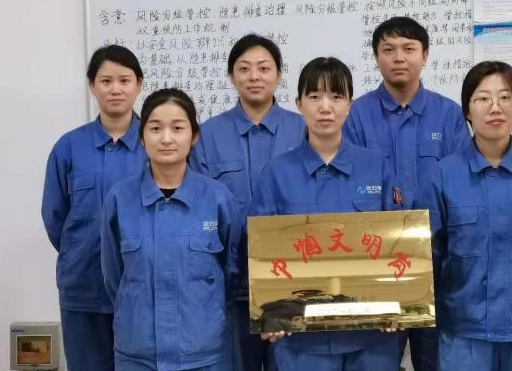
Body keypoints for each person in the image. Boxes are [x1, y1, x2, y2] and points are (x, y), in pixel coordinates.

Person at [250, 57, 402, 371]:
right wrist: (269, 313)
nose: (325, 107)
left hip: (371, 336)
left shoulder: (376, 167)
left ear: (349, 105)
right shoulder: (276, 173)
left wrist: (398, 302)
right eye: (314, 96)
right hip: (301, 341)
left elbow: (399, 244)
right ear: (299, 104)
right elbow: (259, 252)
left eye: (336, 96)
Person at [344, 16, 469, 370]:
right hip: (376, 270)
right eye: (389, 49)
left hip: (439, 267)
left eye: (409, 49)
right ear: (376, 57)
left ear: (425, 55)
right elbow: (346, 186)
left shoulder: (449, 115)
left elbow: (462, 187)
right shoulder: (356, 116)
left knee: (437, 362)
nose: (399, 57)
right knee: (377, 362)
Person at [415, 61, 512, 371]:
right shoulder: (443, 175)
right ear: (467, 110)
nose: (495, 107)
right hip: (465, 330)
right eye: (483, 98)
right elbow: (429, 258)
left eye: (505, 97)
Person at [101, 88, 240, 370]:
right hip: (137, 354)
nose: (166, 138)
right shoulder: (120, 199)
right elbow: (113, 276)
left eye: (177, 128)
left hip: (203, 354)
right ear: (142, 137)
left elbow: (232, 271)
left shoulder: (218, 198)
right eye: (155, 128)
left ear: (194, 136)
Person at [191, 34, 304, 371]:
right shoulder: (207, 136)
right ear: (231, 76)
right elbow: (200, 209)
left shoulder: (304, 130)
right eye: (244, 69)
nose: (254, 76)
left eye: (264, 68)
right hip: (232, 287)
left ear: (279, 74)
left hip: (295, 285)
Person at [41, 44, 144, 371]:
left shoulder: (156, 143)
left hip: (142, 288)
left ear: (139, 85)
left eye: (124, 80)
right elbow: (54, 216)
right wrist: (81, 249)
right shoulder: (69, 146)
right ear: (92, 86)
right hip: (83, 287)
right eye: (106, 81)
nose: (116, 89)